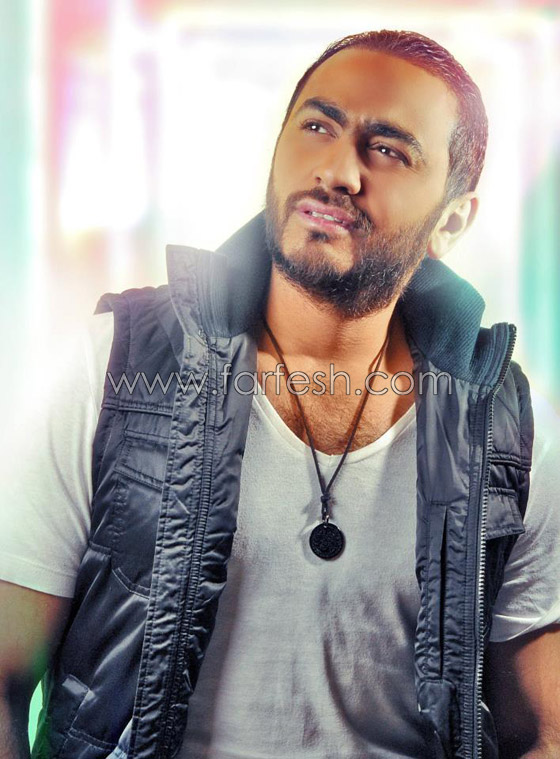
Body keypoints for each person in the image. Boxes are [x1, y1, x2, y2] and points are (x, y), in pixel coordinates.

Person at [0, 28, 559, 759]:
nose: (338, 170)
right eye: (319, 127)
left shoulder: (511, 428)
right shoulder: (112, 366)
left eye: (388, 149)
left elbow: (544, 730)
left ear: (451, 220)